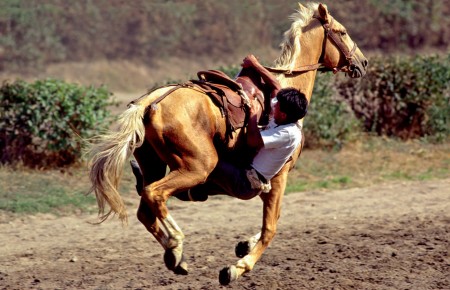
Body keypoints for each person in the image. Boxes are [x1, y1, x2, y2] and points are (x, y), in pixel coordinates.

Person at [131, 55, 308, 200]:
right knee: (192, 182)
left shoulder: (289, 134)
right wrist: (255, 64)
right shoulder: (284, 112)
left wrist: (253, 115)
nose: (273, 104)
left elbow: (253, 141)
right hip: (242, 169)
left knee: (202, 162)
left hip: (247, 182)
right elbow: (276, 87)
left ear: (284, 115)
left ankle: (156, 186)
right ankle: (190, 192)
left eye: (277, 106)